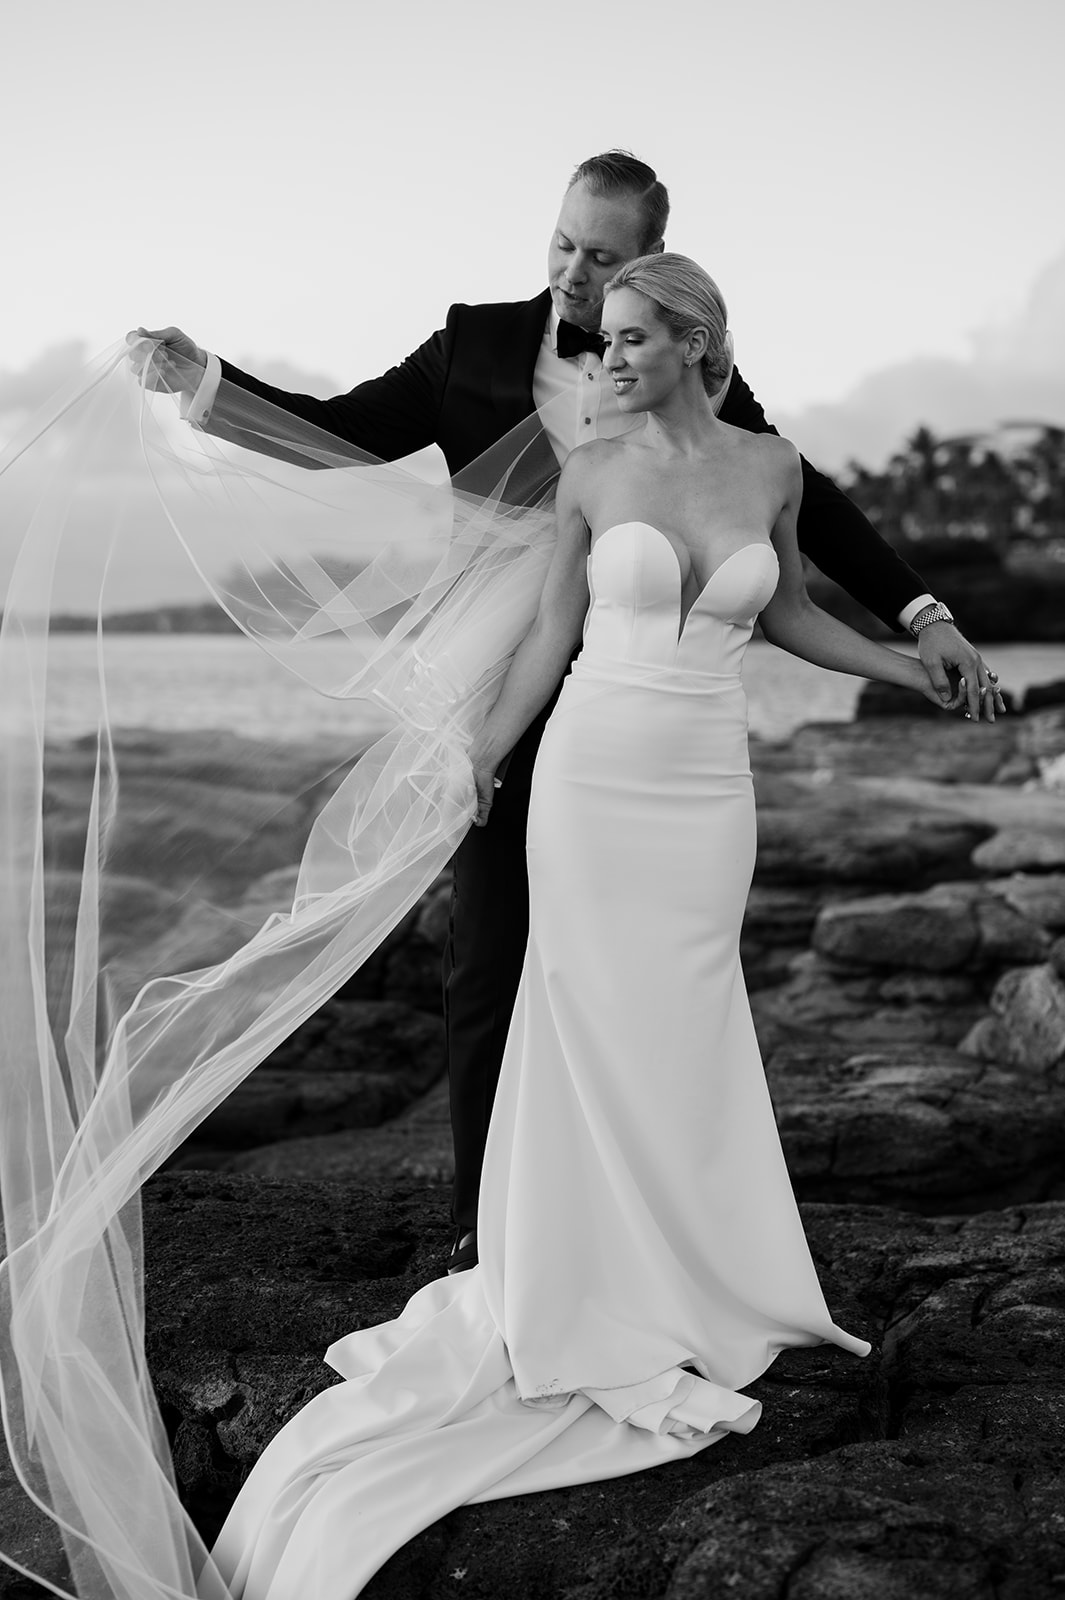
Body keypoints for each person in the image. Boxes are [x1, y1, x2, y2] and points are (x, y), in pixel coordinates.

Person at [202, 251, 981, 1599]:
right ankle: (590, 1279)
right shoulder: (588, 473)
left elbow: (790, 608)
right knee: (585, 1018)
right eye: (603, 338)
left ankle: (703, 1269)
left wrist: (913, 662)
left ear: (695, 342)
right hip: (591, 780)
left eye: (631, 338)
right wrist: (477, 758)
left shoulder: (770, 469)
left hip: (703, 787)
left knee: (683, 1023)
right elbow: (548, 636)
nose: (606, 357)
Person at [135, 150, 1004, 1276]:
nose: (571, 273)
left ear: (649, 264)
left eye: (600, 255)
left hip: (660, 708)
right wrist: (206, 385)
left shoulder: (677, 361)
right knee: (490, 951)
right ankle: (485, 1229)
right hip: (510, 680)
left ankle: (649, 1220)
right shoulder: (476, 342)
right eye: (560, 244)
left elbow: (804, 513)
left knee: (659, 967)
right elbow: (339, 430)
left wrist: (920, 611)